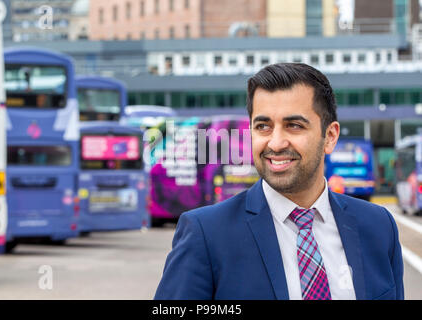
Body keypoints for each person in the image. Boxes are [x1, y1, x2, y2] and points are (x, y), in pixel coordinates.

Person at [154, 63, 404, 300]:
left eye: (294, 125)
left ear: (329, 136)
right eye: (263, 126)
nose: (275, 143)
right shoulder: (206, 234)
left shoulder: (379, 227)